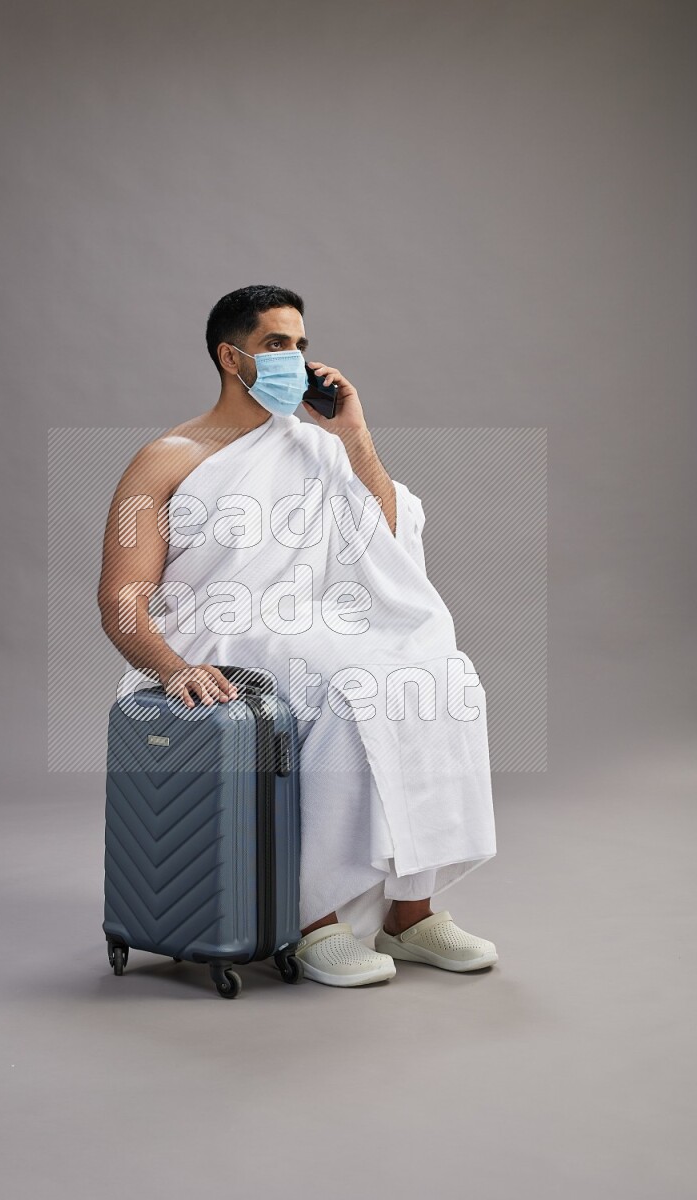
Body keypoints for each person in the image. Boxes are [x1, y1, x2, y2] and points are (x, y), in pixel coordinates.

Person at [97, 284, 498, 988]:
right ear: (231, 356)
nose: (297, 359)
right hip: (216, 636)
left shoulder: (319, 449)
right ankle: (313, 919)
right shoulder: (165, 458)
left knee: (441, 674)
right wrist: (167, 666)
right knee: (344, 685)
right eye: (277, 345)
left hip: (313, 622)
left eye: (301, 345)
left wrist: (354, 436)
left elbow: (389, 536)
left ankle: (412, 913)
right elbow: (122, 595)